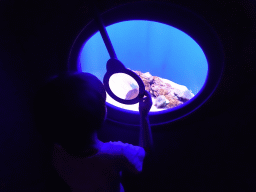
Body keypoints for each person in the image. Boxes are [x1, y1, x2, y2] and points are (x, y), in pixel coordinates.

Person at [33, 72, 153, 192]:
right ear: (103, 113)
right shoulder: (117, 153)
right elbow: (145, 153)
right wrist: (144, 115)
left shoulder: (56, 151)